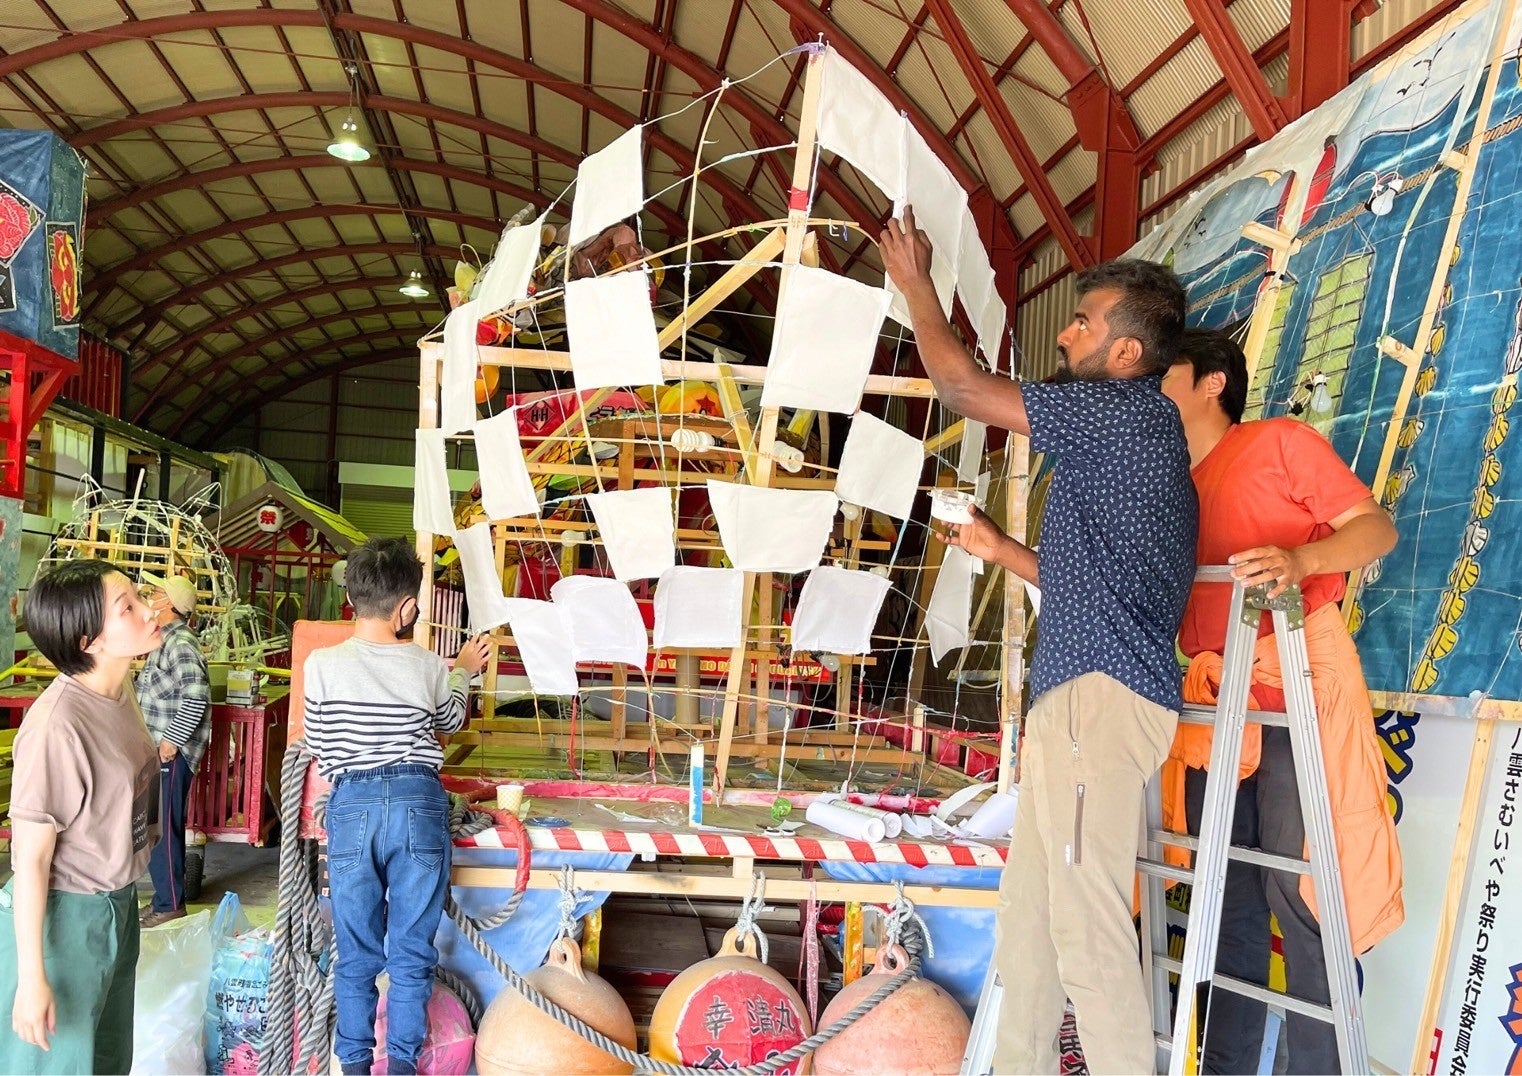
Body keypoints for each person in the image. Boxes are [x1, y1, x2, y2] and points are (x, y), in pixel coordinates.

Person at [880, 207, 1197, 1074]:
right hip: (1078, 697)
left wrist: (914, 286)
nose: (1069, 334)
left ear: (1127, 353)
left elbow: (964, 390)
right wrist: (997, 548)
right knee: (1031, 919)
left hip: (1100, 701)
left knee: (1085, 924)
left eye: (1086, 321)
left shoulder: (1120, 414)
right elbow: (1091, 584)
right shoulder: (1130, 436)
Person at [1160, 328, 1403, 1074]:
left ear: (1211, 383)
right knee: (1224, 897)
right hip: (1213, 704)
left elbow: (1376, 529)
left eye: (1163, 370)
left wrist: (1300, 561)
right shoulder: (1166, 482)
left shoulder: (1277, 443)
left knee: (1300, 895)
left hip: (1290, 690)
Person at [302, 537, 491, 1075]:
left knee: (357, 955)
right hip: (418, 803)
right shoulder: (429, 665)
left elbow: (317, 741)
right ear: (408, 608)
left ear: (352, 598)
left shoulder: (321, 664)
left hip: (352, 805)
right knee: (411, 954)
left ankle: (356, 1066)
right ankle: (403, 1068)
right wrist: (461, 670)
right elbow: (451, 721)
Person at [0, 558, 163, 1073]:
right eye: (128, 607)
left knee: (109, 1059)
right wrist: (32, 978)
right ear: (89, 640)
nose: (149, 610)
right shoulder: (56, 727)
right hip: (64, 920)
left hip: (118, 902)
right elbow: (29, 860)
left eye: (139, 596)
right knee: (58, 1064)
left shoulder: (119, 692)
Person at [137, 571, 210, 928]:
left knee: (164, 829)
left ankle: (170, 904)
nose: (149, 596)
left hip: (171, 753)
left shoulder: (180, 642)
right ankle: (164, 898)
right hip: (161, 751)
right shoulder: (164, 639)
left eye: (155, 593)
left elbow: (196, 697)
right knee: (158, 826)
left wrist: (171, 741)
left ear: (169, 604)